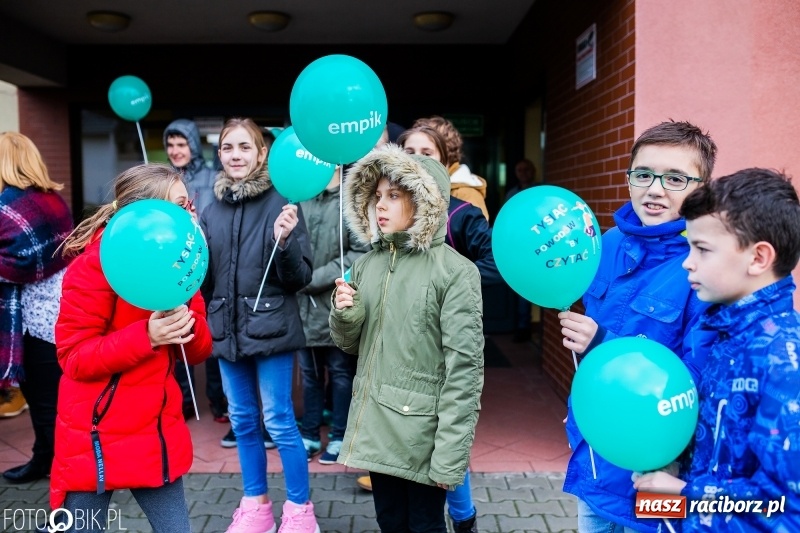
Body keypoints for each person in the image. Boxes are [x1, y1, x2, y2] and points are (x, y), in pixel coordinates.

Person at [558, 120, 718, 532]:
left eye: (675, 178)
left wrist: (602, 344)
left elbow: (699, 374)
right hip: (596, 453)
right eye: (643, 174)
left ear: (701, 187)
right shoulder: (604, 244)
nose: (655, 189)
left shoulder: (704, 264)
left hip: (658, 465)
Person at [634, 168, 800, 532]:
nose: (687, 262)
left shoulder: (783, 361)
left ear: (758, 258)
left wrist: (685, 492)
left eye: (702, 249)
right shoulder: (726, 333)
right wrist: (677, 464)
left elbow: (788, 509)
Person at [330, 144, 485, 532]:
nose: (380, 205)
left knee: (424, 524)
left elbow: (464, 370)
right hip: (379, 428)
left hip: (423, 436)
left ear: (423, 201)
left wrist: (451, 453)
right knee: (390, 521)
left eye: (394, 196)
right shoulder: (366, 264)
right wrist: (345, 312)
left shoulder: (455, 271)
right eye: (377, 196)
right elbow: (349, 345)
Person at [51, 163, 213, 531]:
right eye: (179, 206)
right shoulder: (94, 265)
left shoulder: (183, 259)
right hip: (93, 432)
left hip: (155, 428)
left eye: (189, 204)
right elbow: (73, 357)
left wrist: (186, 323)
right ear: (147, 214)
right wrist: (148, 336)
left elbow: (199, 351)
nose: (190, 214)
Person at [199, 117, 319, 533]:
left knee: (280, 420)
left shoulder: (283, 200)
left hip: (272, 330)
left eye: (245, 147)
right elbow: (207, 281)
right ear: (219, 154)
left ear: (262, 152)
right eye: (228, 147)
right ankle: (256, 507)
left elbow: (300, 277)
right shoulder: (208, 206)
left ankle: (300, 512)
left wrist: (284, 242)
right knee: (243, 420)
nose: (236, 155)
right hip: (225, 332)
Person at [395, 124, 501, 531]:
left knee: (446, 436)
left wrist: (449, 284)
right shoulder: (388, 212)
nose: (419, 159)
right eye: (410, 151)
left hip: (449, 347)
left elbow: (495, 266)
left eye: (428, 152)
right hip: (400, 348)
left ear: (445, 162)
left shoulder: (463, 214)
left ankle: (462, 517)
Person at [0, 132, 74, 483]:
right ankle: (44, 458)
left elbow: (18, 262)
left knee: (47, 406)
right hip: (60, 312)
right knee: (50, 401)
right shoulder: (53, 200)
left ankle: (71, 483)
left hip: (30, 321)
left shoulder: (7, 208)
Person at [297, 166, 368, 464]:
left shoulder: (352, 199)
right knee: (310, 376)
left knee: (340, 375)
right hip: (302, 308)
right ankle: (310, 432)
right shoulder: (299, 197)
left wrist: (312, 278)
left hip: (337, 303)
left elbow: (360, 252)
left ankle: (340, 435)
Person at [163, 118, 228, 424]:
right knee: (176, 330)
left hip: (208, 264)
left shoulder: (214, 178)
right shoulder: (162, 181)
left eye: (181, 143)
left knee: (209, 333)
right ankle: (184, 401)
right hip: (173, 267)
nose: (176, 150)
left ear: (193, 145)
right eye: (171, 144)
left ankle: (218, 401)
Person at [412, 116, 490, 220]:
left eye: (426, 153)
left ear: (446, 153)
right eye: (411, 152)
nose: (417, 159)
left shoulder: (467, 194)